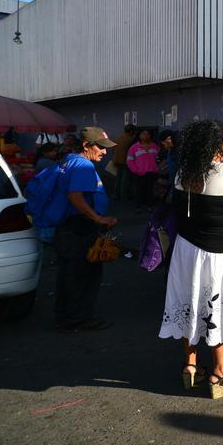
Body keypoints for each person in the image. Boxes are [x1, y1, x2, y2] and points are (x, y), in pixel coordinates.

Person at [158, 120, 223, 400]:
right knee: (221, 309)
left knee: (190, 303)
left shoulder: (182, 173)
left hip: (187, 249)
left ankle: (191, 366)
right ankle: (222, 372)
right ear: (222, 146)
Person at [53, 127, 118, 332]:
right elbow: (75, 196)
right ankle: (78, 320)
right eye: (100, 147)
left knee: (69, 275)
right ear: (86, 145)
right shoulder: (83, 165)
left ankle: (65, 318)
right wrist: (98, 218)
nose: (104, 152)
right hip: (79, 228)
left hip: (66, 227)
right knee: (84, 275)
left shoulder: (69, 160)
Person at [127, 129, 160, 211]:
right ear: (139, 135)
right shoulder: (134, 147)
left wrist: (157, 169)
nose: (146, 136)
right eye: (143, 134)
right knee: (139, 190)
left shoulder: (155, 146)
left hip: (152, 172)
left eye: (148, 134)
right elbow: (129, 160)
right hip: (139, 173)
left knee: (150, 190)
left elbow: (160, 159)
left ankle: (149, 206)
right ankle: (138, 206)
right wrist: (135, 170)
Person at [112, 125, 137, 200]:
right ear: (131, 131)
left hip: (116, 160)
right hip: (125, 161)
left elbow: (113, 149)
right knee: (125, 179)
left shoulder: (119, 137)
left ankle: (116, 195)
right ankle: (123, 196)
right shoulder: (131, 139)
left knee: (118, 178)